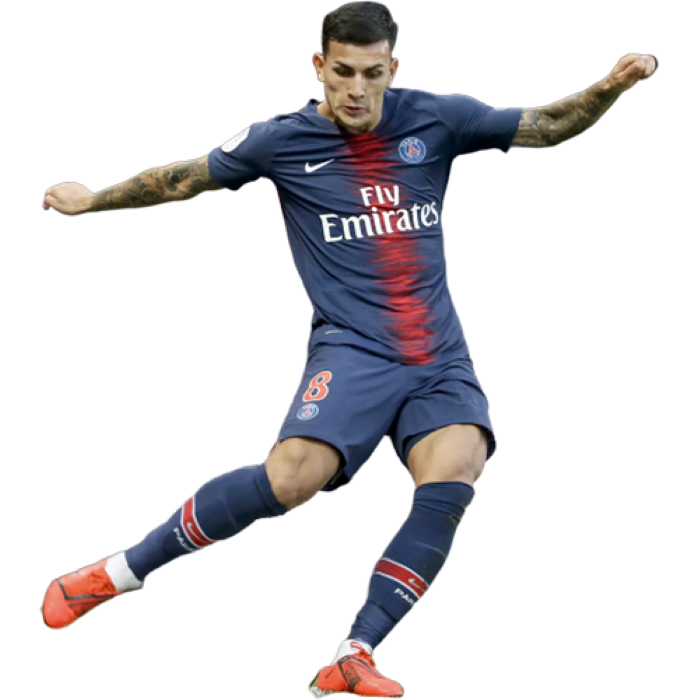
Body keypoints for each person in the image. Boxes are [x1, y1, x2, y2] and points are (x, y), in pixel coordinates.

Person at [39, 2, 656, 698]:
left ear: (392, 70)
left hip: (438, 354)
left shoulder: (437, 118)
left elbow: (546, 125)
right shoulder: (282, 140)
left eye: (371, 73)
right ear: (319, 67)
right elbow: (183, 179)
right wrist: (93, 201)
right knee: (292, 480)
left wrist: (609, 87)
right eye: (342, 73)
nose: (356, 89)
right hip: (354, 349)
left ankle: (354, 652)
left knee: (458, 467)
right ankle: (116, 574)